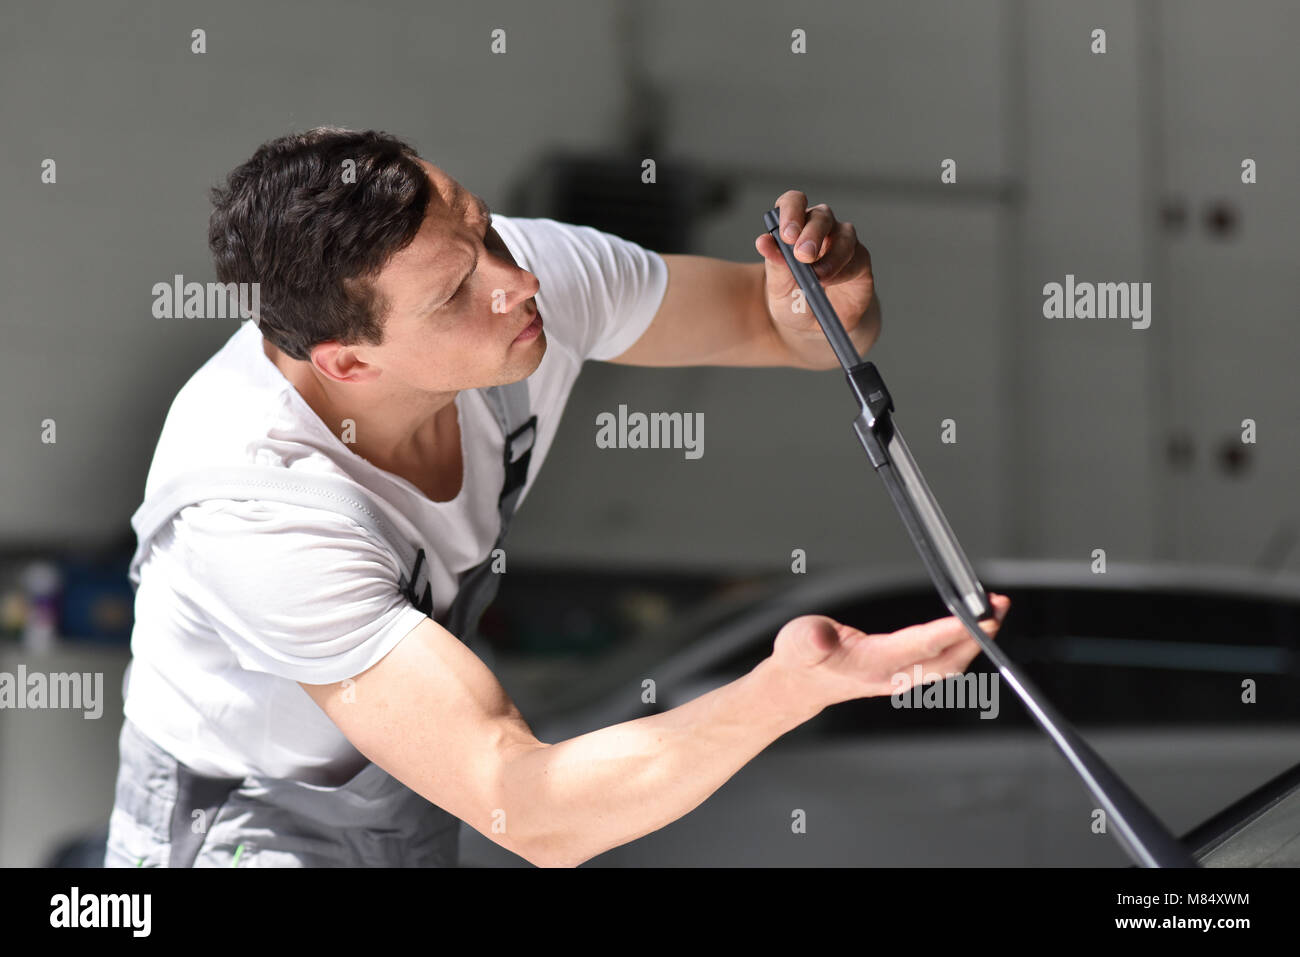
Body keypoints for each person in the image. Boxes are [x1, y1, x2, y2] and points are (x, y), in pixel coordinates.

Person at [104, 126, 1009, 868]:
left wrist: (827, 308)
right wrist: (789, 689)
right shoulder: (258, 511)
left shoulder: (529, 276)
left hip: (407, 796)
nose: (518, 281)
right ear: (348, 362)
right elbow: (527, 810)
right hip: (241, 819)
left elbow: (770, 325)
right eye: (459, 292)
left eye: (485, 231)